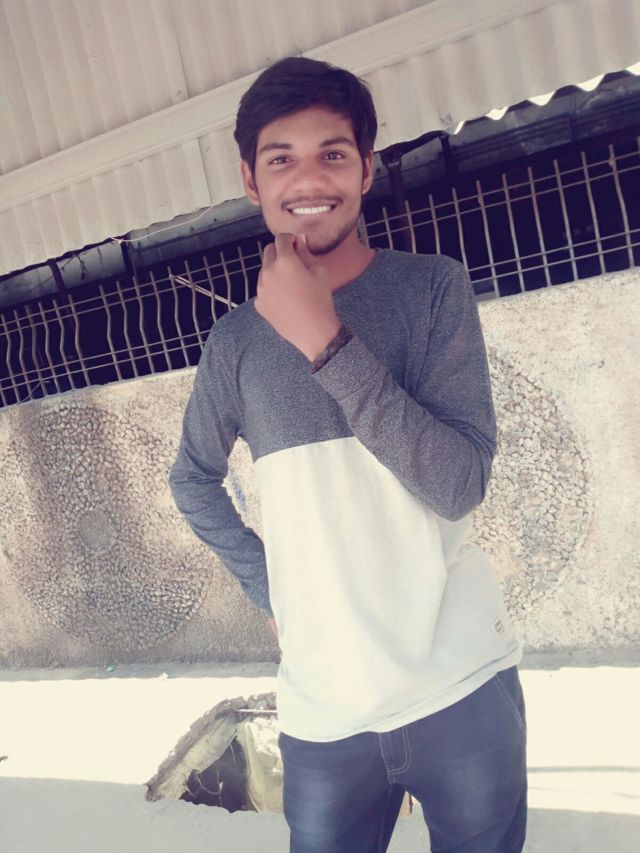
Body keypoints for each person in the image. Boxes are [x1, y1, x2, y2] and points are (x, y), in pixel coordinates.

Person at [169, 56, 527, 853]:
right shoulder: (234, 342)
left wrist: (325, 341)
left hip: (459, 685)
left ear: (366, 168)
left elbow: (459, 483)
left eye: (332, 153)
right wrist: (273, 589)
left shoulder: (432, 290)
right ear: (250, 179)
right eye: (280, 158)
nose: (308, 179)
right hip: (324, 710)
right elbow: (191, 479)